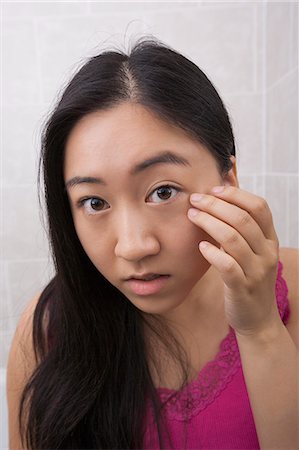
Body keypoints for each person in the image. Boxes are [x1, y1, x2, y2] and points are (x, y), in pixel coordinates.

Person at [6, 36, 298, 450]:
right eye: (94, 202)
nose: (133, 246)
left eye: (163, 192)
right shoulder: (46, 331)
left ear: (228, 180)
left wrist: (260, 328)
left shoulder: (294, 289)